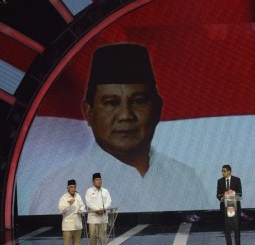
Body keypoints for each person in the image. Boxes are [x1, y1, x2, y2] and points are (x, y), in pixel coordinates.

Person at [30, 43, 209, 213]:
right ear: (88, 112)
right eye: (111, 103)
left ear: (157, 108)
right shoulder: (58, 188)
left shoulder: (185, 179)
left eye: (138, 101)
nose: (125, 115)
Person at [217, 165, 242, 245]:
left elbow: (240, 193)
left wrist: (232, 193)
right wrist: (223, 197)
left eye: (224, 171)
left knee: (236, 228)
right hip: (225, 208)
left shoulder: (237, 180)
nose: (222, 173)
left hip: (235, 207)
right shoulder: (220, 181)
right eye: (222, 171)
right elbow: (218, 194)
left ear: (229, 171)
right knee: (227, 229)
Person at [85, 173, 112, 245]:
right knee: (93, 237)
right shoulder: (89, 191)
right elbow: (88, 203)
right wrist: (97, 210)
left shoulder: (105, 191)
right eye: (97, 180)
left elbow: (109, 202)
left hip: (103, 218)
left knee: (103, 238)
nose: (99, 181)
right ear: (93, 181)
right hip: (93, 219)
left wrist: (103, 209)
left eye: (100, 180)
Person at [58, 179, 86, 245]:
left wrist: (81, 210)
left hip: (77, 225)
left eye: (74, 187)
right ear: (67, 188)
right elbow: (60, 210)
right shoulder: (64, 197)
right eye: (71, 187)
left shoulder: (78, 196)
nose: (73, 189)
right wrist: (68, 204)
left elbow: (83, 206)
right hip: (68, 226)